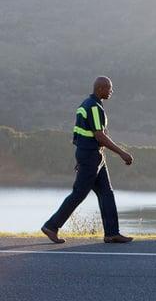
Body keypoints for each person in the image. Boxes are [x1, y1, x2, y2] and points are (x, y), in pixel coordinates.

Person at [41, 76, 134, 244]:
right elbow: (100, 136)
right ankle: (51, 226)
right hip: (91, 156)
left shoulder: (87, 105)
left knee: (107, 193)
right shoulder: (93, 107)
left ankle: (112, 233)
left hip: (93, 156)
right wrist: (122, 153)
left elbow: (78, 135)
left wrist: (81, 156)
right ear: (99, 89)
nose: (111, 91)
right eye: (108, 88)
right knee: (79, 193)